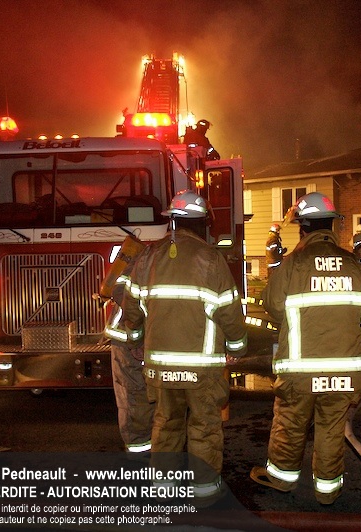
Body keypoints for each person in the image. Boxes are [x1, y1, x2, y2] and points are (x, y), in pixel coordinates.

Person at [118, 190, 248, 505]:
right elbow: (229, 311)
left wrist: (136, 341)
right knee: (205, 426)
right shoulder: (212, 258)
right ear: (202, 223)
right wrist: (237, 347)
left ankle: (163, 490)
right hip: (202, 369)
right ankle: (204, 494)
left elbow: (131, 308)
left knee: (166, 423)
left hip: (160, 368)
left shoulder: (148, 257)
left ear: (172, 221)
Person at [250, 191, 361, 506]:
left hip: (301, 372)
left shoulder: (295, 262)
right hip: (347, 371)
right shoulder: (354, 264)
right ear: (331, 225)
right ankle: (327, 491)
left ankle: (282, 479)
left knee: (290, 423)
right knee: (331, 428)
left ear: (303, 227)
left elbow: (272, 305)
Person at [103, 241, 155, 454]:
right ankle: (139, 451)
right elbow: (122, 293)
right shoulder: (149, 262)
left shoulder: (154, 259)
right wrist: (138, 340)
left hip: (138, 340)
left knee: (141, 395)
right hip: (126, 341)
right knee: (134, 395)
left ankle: (146, 448)